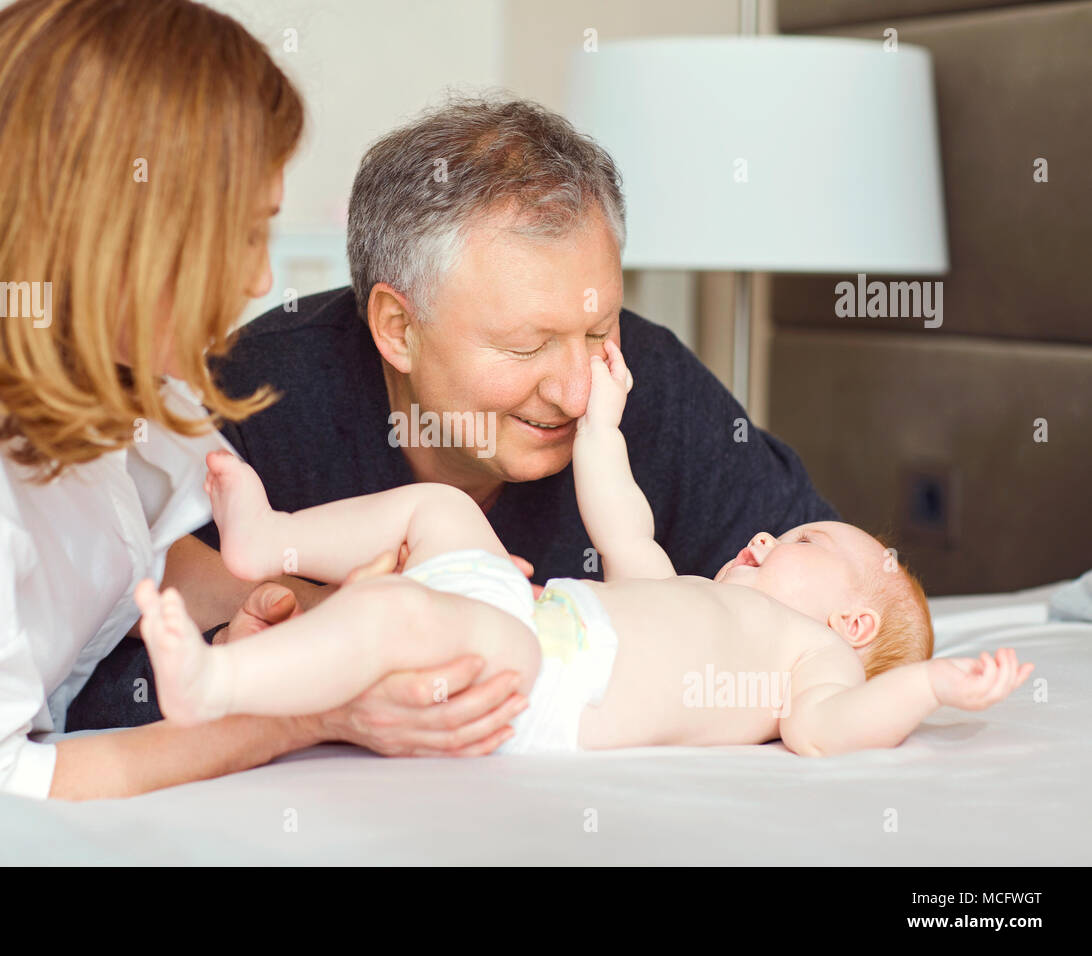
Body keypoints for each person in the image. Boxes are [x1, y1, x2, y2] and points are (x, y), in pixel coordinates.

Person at [0, 0, 525, 800]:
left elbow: (137, 552)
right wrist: (311, 712)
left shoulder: (75, 316)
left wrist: (344, 625)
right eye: (241, 235)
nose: (257, 280)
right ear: (114, 224)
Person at [73, 95, 840, 729]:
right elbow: (88, 691)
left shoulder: (643, 382)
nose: (578, 393)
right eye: (525, 346)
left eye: (598, 329)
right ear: (398, 329)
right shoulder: (246, 405)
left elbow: (844, 599)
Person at [136, 343, 1030, 756]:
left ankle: (222, 685)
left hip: (539, 686)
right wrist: (602, 420)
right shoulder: (681, 590)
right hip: (528, 611)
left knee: (396, 611)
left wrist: (926, 687)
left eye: (800, 538)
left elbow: (830, 733)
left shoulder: (811, 661)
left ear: (853, 618)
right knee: (438, 508)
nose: (763, 532)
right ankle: (269, 539)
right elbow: (620, 514)